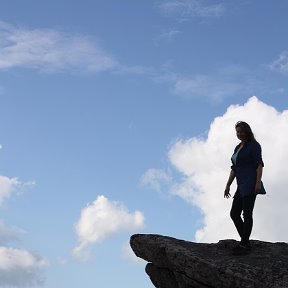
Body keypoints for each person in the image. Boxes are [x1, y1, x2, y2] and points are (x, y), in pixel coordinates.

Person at [224, 121, 265, 255]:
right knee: (234, 213)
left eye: (241, 131)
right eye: (237, 131)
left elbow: (259, 164)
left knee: (247, 214)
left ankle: (244, 243)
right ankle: (245, 241)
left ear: (247, 131)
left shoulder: (254, 146)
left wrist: (258, 183)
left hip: (250, 183)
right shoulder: (237, 148)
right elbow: (234, 168)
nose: (239, 134)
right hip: (240, 185)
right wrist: (228, 185)